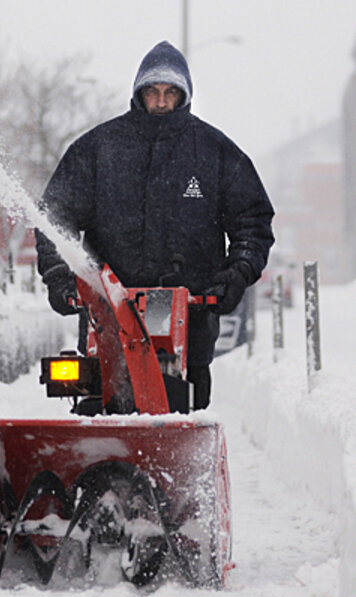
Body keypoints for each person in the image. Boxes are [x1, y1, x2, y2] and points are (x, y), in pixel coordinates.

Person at [35, 41, 274, 410]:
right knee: (101, 399)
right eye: (153, 92)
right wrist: (60, 275)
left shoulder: (214, 152)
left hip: (190, 317)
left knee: (181, 402)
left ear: (184, 96)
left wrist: (237, 272)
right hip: (109, 313)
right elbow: (54, 217)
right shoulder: (99, 149)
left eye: (170, 93)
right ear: (139, 93)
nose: (161, 101)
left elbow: (253, 221)